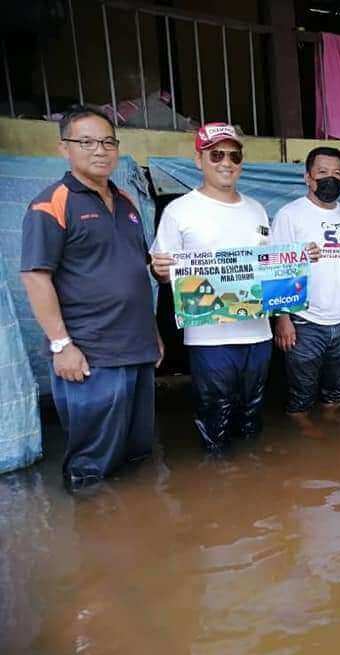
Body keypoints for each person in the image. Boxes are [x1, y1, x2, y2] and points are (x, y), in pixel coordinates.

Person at [150, 122, 319, 452]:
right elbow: (164, 273)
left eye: (234, 155)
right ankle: (219, 486)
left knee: (252, 416)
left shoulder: (256, 209)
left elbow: (269, 267)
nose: (226, 162)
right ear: (199, 160)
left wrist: (299, 258)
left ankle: (250, 489)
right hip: (210, 340)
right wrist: (159, 271)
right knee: (215, 418)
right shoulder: (179, 211)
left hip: (258, 336)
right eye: (216, 155)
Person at [20, 104, 163, 491]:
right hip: (91, 356)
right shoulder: (51, 204)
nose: (99, 150)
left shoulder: (128, 205)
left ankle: (140, 538)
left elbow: (135, 273)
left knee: (137, 453)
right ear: (64, 148)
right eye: (86, 142)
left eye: (107, 142)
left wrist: (152, 333)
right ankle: (93, 537)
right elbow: (36, 278)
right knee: (92, 463)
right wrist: (62, 345)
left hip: (137, 349)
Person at [271, 146, 340, 418]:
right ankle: (305, 443)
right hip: (304, 323)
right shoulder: (289, 215)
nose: (331, 178)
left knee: (337, 394)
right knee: (300, 397)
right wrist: (282, 318)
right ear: (308, 177)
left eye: (338, 173)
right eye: (323, 172)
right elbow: (276, 267)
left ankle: (332, 439)